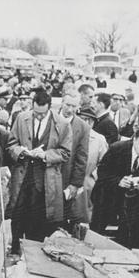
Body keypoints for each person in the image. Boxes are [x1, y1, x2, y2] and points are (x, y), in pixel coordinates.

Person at [6, 88, 72, 252]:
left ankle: (33, 253)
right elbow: (11, 144)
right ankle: (15, 250)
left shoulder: (62, 124)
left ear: (49, 108)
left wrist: (45, 155)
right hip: (23, 177)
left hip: (46, 180)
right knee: (18, 214)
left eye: (42, 114)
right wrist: (19, 151)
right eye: (36, 113)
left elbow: (65, 153)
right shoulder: (21, 118)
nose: (39, 116)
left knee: (39, 220)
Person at [91, 126, 139, 249]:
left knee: (129, 232)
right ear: (134, 139)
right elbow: (102, 172)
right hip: (108, 195)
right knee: (97, 229)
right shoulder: (117, 148)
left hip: (133, 200)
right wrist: (118, 181)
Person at [72, 105, 108, 223]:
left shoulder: (99, 139)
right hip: (69, 181)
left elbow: (105, 163)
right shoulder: (69, 134)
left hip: (88, 185)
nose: (86, 123)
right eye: (83, 119)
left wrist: (93, 177)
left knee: (84, 218)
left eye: (90, 120)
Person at [58, 94, 90, 226]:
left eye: (74, 106)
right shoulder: (51, 119)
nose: (70, 109)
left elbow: (82, 158)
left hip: (66, 179)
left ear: (78, 107)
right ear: (62, 103)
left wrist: (75, 184)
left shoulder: (82, 127)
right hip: (46, 177)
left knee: (62, 217)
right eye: (67, 105)